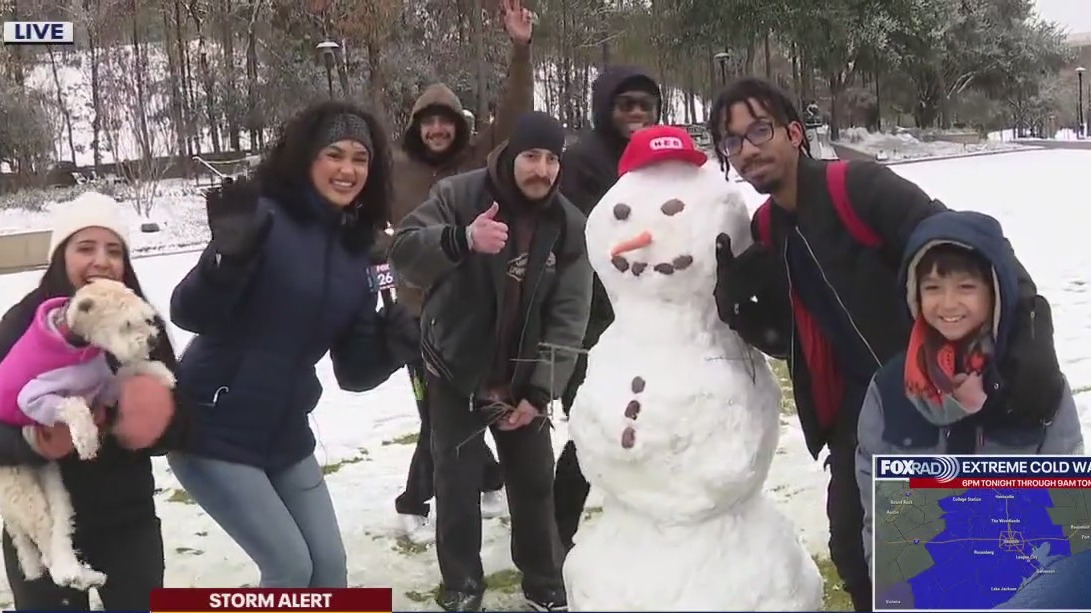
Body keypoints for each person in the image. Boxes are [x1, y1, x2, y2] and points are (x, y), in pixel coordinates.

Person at [708, 76, 1063, 612]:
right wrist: (749, 317)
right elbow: (803, 337)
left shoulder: (858, 187)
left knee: (975, 552)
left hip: (939, 388)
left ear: (795, 132)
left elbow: (960, 241)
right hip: (863, 411)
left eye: (759, 130)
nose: (748, 150)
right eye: (733, 142)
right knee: (855, 549)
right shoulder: (767, 228)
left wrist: (1032, 322)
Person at [167, 101, 419, 588]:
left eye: (360, 159)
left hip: (284, 435)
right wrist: (225, 261)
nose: (348, 169)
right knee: (288, 570)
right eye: (334, 154)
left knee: (329, 571)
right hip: (210, 426)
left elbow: (353, 373)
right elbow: (188, 312)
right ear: (307, 157)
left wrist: (391, 348)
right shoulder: (262, 218)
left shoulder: (358, 247)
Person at [389, 111, 592, 612]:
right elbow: (404, 252)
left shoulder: (568, 224)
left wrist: (541, 390)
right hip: (454, 368)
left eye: (551, 159)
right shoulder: (458, 195)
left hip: (521, 377)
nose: (541, 169)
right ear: (510, 155)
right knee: (455, 484)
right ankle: (461, 585)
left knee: (534, 483)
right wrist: (460, 240)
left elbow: (570, 315)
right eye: (531, 156)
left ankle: (544, 583)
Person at [854, 210, 1083, 576]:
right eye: (932, 288)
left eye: (966, 287)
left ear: (996, 292)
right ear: (914, 295)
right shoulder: (887, 390)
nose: (947, 304)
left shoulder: (1039, 387)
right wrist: (892, 578)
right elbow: (876, 511)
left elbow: (1067, 508)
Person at [384, 0, 535, 542]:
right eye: (429, 122)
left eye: (447, 121)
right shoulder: (395, 170)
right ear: (417, 128)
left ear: (459, 127)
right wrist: (394, 246)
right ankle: (413, 501)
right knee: (436, 414)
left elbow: (516, 122)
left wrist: (520, 51)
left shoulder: (478, 161)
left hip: (480, 309)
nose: (438, 130)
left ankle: (488, 478)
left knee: (477, 402)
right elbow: (368, 229)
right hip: (419, 314)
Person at [0, 193, 187, 610]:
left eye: (114, 250)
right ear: (60, 256)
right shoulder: (21, 326)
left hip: (127, 521)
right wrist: (32, 443)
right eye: (85, 248)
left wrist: (154, 427)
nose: (101, 260)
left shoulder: (138, 324)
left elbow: (180, 422)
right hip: (44, 527)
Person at [553, 64, 661, 552]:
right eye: (626, 105)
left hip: (648, 315)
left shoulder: (659, 159)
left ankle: (641, 525)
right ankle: (556, 533)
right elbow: (585, 240)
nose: (637, 114)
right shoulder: (582, 161)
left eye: (645, 105)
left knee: (646, 424)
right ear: (605, 109)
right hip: (592, 318)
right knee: (592, 430)